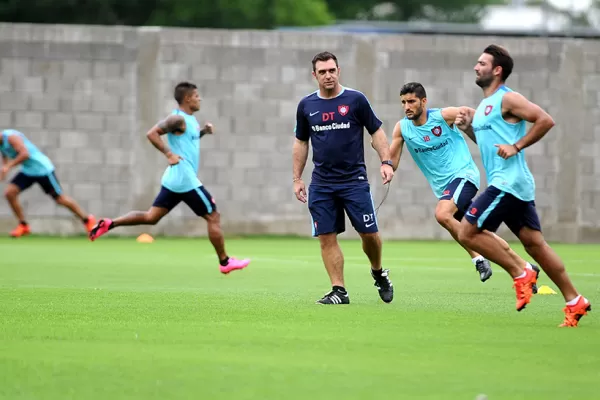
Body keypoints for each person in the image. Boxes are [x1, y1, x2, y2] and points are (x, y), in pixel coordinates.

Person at [455, 44, 590, 327]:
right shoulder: (483, 108)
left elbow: (545, 120)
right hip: (513, 184)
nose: (476, 67)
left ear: (497, 70)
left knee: (467, 232)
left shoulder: (508, 98)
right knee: (535, 244)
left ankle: (522, 273)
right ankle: (575, 300)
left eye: (482, 63)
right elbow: (490, 146)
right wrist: (467, 127)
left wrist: (517, 145)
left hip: (508, 182)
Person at [88, 82, 250, 275]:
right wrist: (168, 153)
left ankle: (109, 223)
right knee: (213, 216)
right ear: (188, 98)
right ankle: (225, 262)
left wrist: (202, 133)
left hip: (174, 179)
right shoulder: (177, 119)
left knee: (151, 217)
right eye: (197, 96)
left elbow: (186, 140)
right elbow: (152, 133)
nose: (200, 99)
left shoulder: (189, 121)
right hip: (185, 179)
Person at [292, 51, 395, 305]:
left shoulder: (355, 100)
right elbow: (301, 142)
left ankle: (378, 271)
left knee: (369, 235)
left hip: (354, 182)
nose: (328, 75)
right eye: (322, 72)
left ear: (339, 71)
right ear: (314, 75)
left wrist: (386, 161)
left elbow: (377, 132)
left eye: (332, 70)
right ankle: (339, 290)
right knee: (326, 236)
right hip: (321, 184)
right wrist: (297, 178)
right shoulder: (306, 105)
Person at [390, 82, 497, 282]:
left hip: (464, 176)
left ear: (424, 101)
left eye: (411, 101)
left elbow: (471, 113)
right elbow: (391, 162)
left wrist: (487, 128)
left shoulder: (442, 116)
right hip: (445, 189)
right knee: (478, 230)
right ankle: (523, 268)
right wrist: (384, 162)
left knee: (442, 214)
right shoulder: (402, 128)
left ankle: (478, 259)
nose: (407, 107)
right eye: (403, 102)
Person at [0, 129, 96, 237]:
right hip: (28, 171)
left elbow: (25, 154)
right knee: (10, 193)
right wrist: (4, 169)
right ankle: (23, 225)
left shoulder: (11, 137)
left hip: (43, 169)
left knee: (60, 199)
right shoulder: (1, 143)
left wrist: (8, 167)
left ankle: (87, 220)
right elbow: (5, 155)